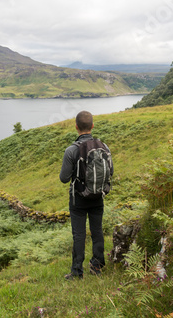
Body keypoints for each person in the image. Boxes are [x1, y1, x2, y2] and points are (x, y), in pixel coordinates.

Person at [59, 110, 113, 280]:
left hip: (78, 199)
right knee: (97, 231)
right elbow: (110, 171)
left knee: (79, 234)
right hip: (98, 196)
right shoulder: (104, 147)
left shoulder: (71, 150)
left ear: (76, 127)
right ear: (92, 126)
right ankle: (97, 267)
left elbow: (63, 178)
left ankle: (77, 272)